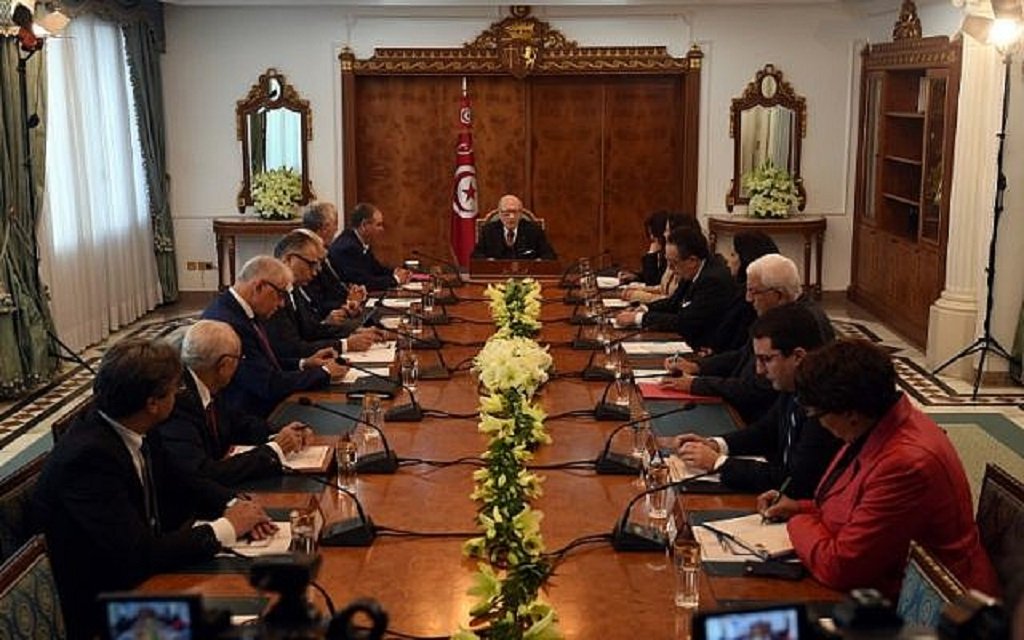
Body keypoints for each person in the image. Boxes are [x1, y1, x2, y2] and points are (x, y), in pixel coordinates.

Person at [32, 338, 274, 639]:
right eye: (176, 390)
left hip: (144, 581)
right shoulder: (88, 460)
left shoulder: (133, 423)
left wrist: (232, 505)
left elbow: (181, 479)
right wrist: (227, 528)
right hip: (106, 615)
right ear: (153, 403)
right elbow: (138, 553)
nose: (179, 395)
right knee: (248, 628)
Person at [759, 339, 1000, 600]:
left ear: (850, 413)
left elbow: (840, 568)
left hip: (939, 608)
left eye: (817, 415)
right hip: (887, 579)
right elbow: (855, 505)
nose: (818, 423)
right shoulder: (879, 422)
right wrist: (800, 507)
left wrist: (797, 521)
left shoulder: (906, 464)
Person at [675, 303, 842, 497]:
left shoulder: (824, 406)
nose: (759, 371)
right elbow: (766, 431)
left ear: (798, 356)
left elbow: (796, 482)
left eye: (767, 360)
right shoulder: (792, 385)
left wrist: (719, 463)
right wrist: (716, 444)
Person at [662, 253, 832, 423]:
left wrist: (696, 384)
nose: (748, 299)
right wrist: (697, 366)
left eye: (753, 291)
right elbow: (743, 354)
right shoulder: (781, 313)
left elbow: (757, 388)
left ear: (778, 295)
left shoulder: (798, 323)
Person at [156, 320, 313, 490]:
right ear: (224, 365)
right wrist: (273, 450)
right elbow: (203, 472)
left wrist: (277, 432)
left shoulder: (208, 381)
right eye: (239, 359)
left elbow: (236, 422)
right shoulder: (176, 402)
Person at [201, 255, 346, 417]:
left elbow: (264, 363)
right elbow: (267, 384)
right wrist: (324, 372)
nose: (282, 304)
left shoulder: (241, 309)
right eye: (281, 294)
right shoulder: (230, 323)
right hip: (250, 417)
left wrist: (304, 363)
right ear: (259, 287)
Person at [614, 226, 735, 350]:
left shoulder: (712, 280)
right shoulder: (692, 270)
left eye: (674, 263)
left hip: (702, 349)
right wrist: (644, 308)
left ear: (692, 260)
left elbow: (685, 322)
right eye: (668, 262)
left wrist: (639, 318)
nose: (670, 269)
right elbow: (673, 303)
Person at [266, 231, 381, 359]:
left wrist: (354, 331)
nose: (315, 272)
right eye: (311, 264)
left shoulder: (294, 289)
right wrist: (345, 344)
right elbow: (292, 348)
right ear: (288, 260)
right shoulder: (272, 297)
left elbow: (314, 329)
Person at [708, 231, 780, 354]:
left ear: (746, 259)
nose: (728, 261)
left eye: (733, 255)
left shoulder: (751, 299)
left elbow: (735, 343)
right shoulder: (737, 289)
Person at [300, 202, 368, 316]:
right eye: (335, 224)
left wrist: (350, 292)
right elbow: (316, 301)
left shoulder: (325, 250)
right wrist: (348, 301)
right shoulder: (306, 254)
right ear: (325, 227)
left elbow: (334, 285)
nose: (337, 229)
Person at [328, 202, 411, 291]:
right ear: (364, 225)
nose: (381, 229)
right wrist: (396, 279)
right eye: (378, 225)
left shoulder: (359, 241)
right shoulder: (348, 247)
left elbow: (375, 269)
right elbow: (363, 282)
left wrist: (395, 272)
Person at [471, 194, 556, 260]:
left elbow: (549, 256)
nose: (511, 217)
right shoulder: (488, 231)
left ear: (521, 213)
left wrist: (537, 262)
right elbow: (476, 256)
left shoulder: (534, 230)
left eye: (515, 212)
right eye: (506, 212)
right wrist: (489, 261)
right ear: (500, 213)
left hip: (526, 277)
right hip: (496, 277)